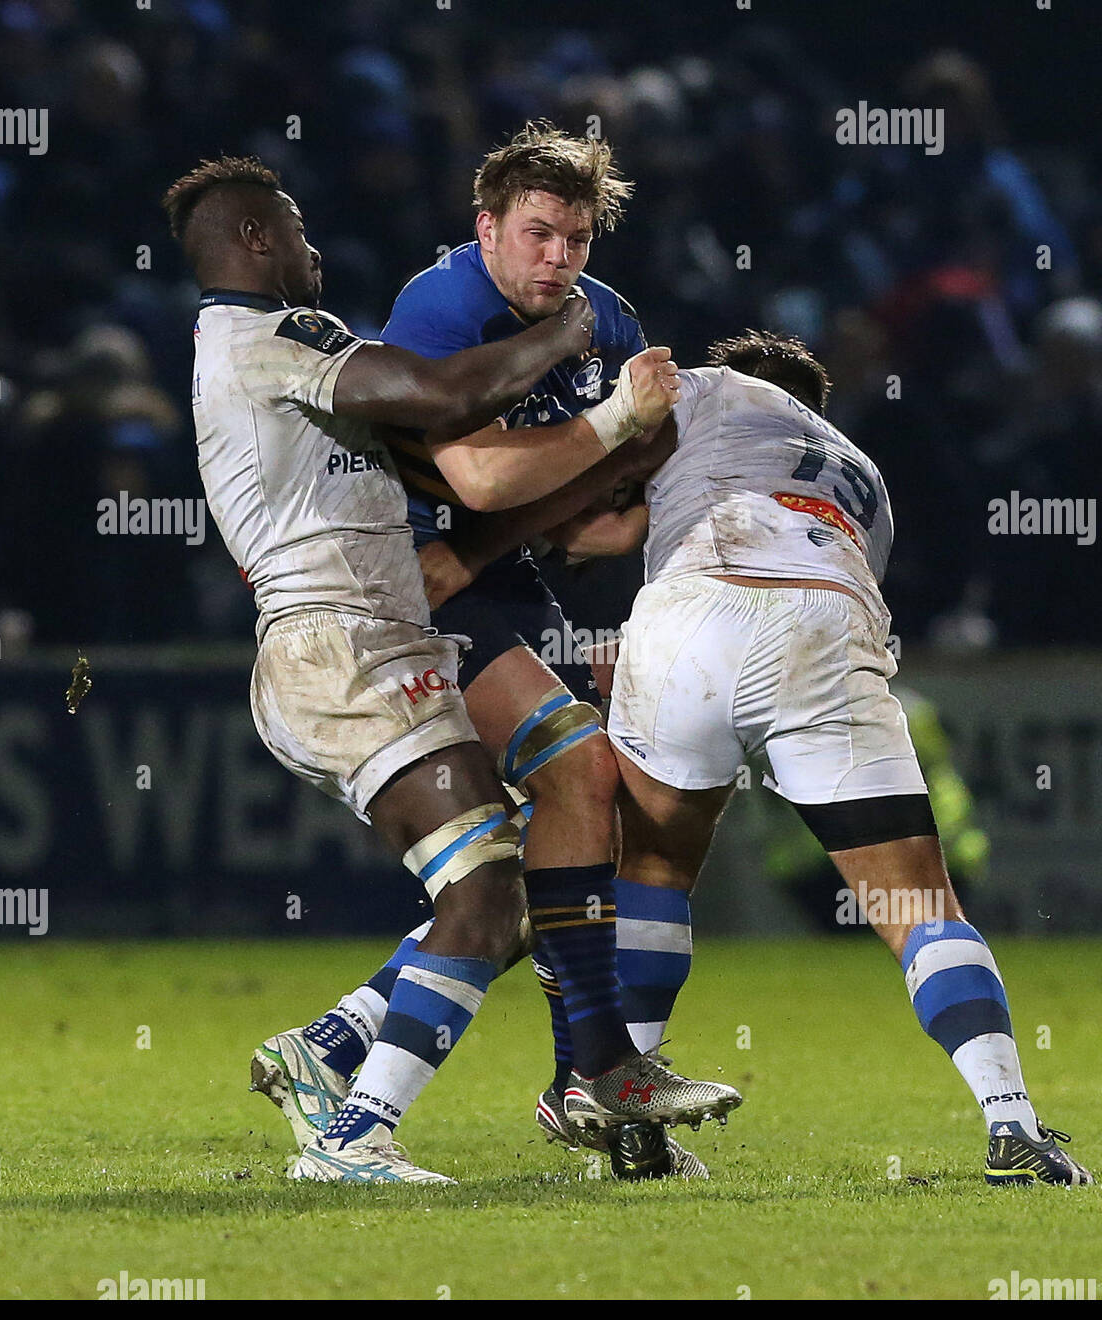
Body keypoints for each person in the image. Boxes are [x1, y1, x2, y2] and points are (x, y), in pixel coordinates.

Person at [164, 153, 738, 1183]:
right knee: (491, 876)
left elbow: (445, 457)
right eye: (294, 228)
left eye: (577, 243)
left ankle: (351, 1055)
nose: (315, 247)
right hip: (337, 649)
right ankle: (365, 1134)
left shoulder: (294, 341)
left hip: (379, 639)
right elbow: (441, 408)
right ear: (255, 239)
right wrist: (580, 364)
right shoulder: (264, 341)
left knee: (525, 863)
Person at [545, 329, 1093, 1187]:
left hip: (691, 607)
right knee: (919, 905)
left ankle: (632, 1124)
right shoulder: (865, 479)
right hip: (822, 616)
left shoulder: (702, 390)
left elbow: (591, 478)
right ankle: (1011, 1125)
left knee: (652, 866)